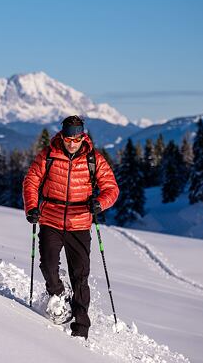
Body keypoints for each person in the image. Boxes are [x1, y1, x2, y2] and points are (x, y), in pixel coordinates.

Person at [22, 115, 119, 339]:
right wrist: (32, 207)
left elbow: (111, 189)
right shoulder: (48, 155)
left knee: (80, 275)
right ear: (62, 136)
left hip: (80, 222)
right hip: (50, 219)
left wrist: (100, 203)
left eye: (76, 139)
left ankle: (81, 328)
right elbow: (31, 180)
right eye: (68, 138)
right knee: (47, 265)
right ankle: (57, 293)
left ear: (82, 136)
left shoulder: (94, 159)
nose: (72, 143)